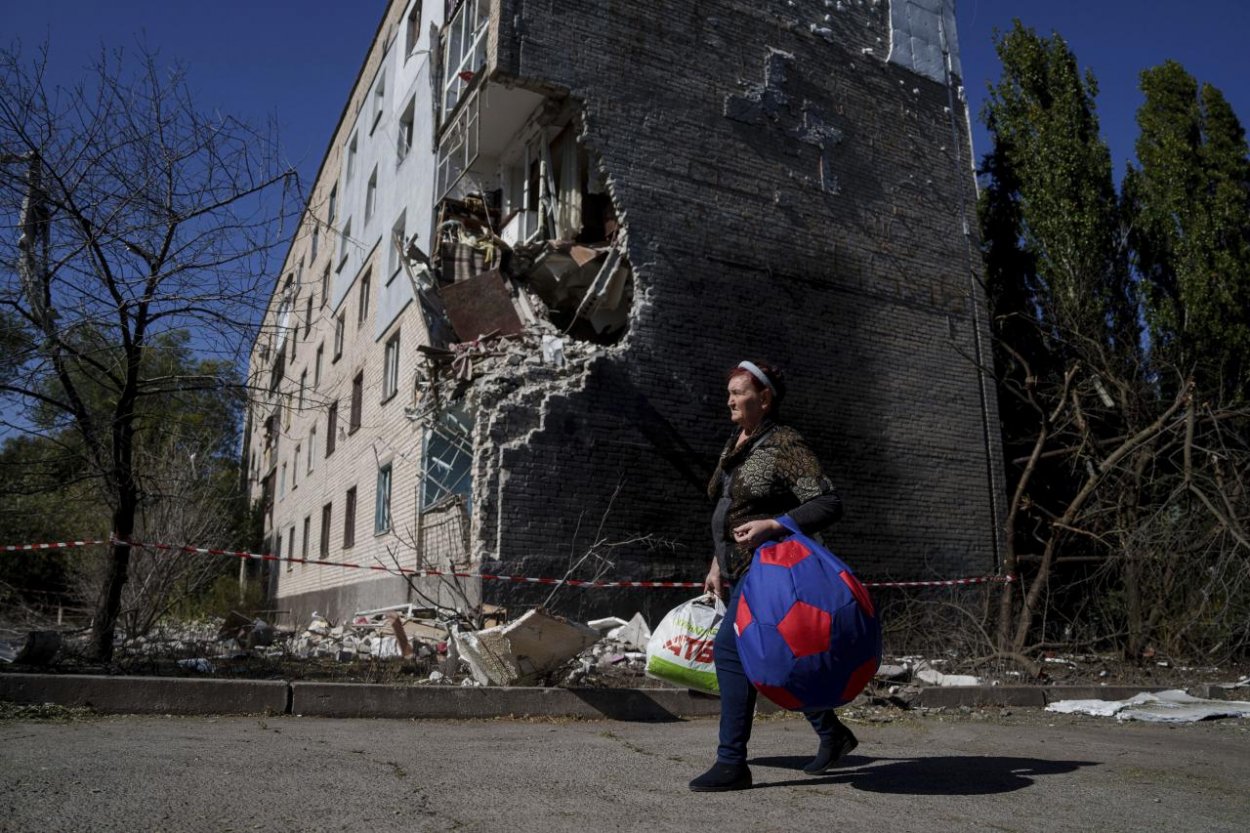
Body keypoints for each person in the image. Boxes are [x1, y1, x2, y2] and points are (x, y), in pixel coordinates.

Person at [689, 360, 857, 792]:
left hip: (771, 569)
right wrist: (716, 562)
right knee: (770, 655)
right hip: (736, 566)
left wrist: (775, 524)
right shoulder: (736, 443)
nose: (729, 399)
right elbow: (729, 510)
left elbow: (828, 502)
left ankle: (731, 763)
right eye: (728, 392)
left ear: (764, 398)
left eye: (738, 392)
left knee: (731, 650)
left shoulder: (785, 443)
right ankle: (831, 733)